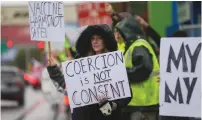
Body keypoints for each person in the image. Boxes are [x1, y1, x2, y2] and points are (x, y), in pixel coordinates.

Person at [47, 24, 132, 120]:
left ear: (105, 41)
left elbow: (127, 94)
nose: (95, 41)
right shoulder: (81, 63)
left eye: (99, 38)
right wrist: (54, 70)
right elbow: (69, 89)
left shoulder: (115, 63)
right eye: (92, 39)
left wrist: (113, 105)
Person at [114, 16, 160, 120]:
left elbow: (143, 69)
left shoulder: (138, 46)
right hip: (140, 103)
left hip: (142, 104)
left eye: (121, 32)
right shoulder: (135, 46)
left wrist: (122, 73)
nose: (119, 35)